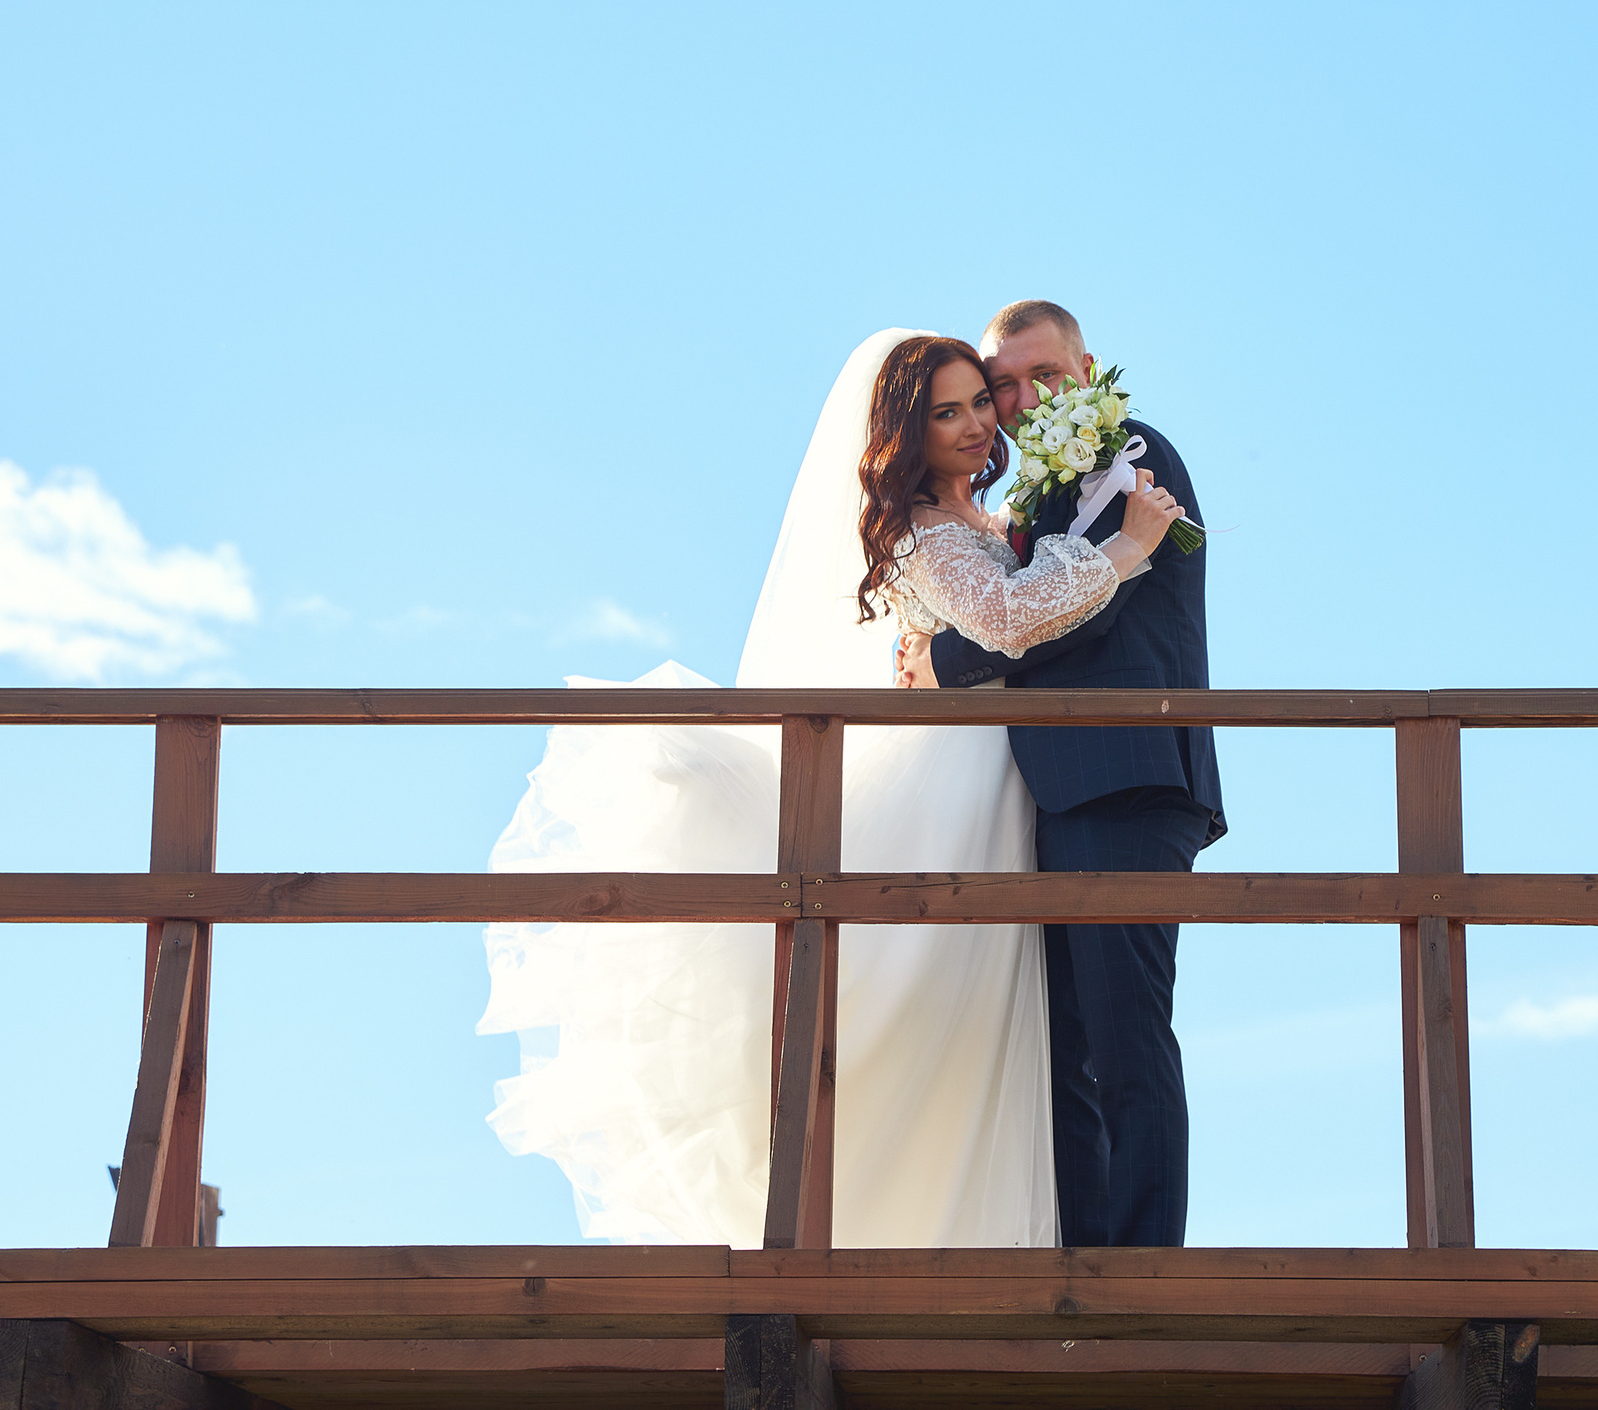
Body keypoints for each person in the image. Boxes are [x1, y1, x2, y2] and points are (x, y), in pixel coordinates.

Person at [476, 327, 1182, 1247]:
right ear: (906, 432)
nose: (977, 423)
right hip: (957, 792)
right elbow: (1009, 617)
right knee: (944, 1012)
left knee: (1010, 1028)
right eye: (947, 411)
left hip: (1007, 786)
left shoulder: (983, 523)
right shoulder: (923, 530)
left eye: (980, 401)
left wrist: (946, 652)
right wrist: (1127, 547)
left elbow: (990, 623)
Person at [898, 299, 1220, 1248]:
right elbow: (1031, 601)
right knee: (1063, 1049)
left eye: (1044, 376)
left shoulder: (1125, 452)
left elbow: (1086, 614)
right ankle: (1084, 1258)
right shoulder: (1036, 493)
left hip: (1126, 777)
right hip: (1059, 791)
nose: (1023, 398)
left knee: (1126, 1036)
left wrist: (947, 662)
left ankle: (1148, 1263)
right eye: (1007, 384)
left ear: (1089, 370)